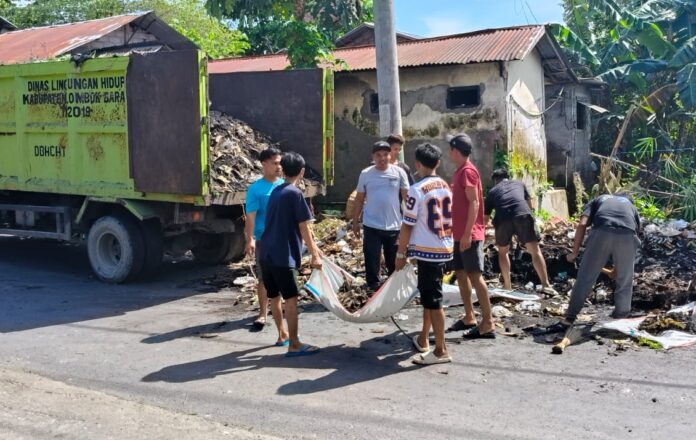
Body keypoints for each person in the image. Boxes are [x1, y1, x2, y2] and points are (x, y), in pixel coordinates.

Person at [546, 193, 641, 333]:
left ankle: (569, 319)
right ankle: (620, 320)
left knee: (585, 278)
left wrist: (574, 253)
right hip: (628, 236)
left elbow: (582, 224)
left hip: (601, 232)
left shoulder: (599, 199)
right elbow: (633, 233)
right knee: (625, 281)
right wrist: (618, 269)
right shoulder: (631, 207)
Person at [395, 143, 453, 365]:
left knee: (434, 301)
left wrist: (401, 254)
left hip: (429, 253)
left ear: (417, 164)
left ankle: (441, 350)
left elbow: (407, 225)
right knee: (430, 297)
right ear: (438, 163)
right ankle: (424, 338)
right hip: (444, 249)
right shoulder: (445, 186)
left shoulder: (416, 189)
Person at [260, 152, 322, 356]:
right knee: (291, 299)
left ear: (283, 170)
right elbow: (304, 227)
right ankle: (294, 344)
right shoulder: (295, 194)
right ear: (302, 172)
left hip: (266, 254)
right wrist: (315, 255)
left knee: (274, 296)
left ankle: (282, 335)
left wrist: (315, 249)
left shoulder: (276, 191)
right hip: (283, 256)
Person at [447, 133, 495, 339]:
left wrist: (467, 234)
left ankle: (488, 323)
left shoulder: (468, 172)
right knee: (460, 273)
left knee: (475, 276)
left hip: (470, 235)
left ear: (455, 150)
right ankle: (469, 316)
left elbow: (474, 203)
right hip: (459, 233)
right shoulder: (459, 171)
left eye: (450, 149)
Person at [484, 168, 557, 295]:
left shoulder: (492, 191)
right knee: (535, 251)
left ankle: (507, 286)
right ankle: (546, 285)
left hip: (503, 219)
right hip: (523, 214)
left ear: (495, 180)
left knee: (503, 252)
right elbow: (529, 205)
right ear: (508, 177)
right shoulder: (519, 183)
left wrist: (489, 228)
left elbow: (485, 219)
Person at [352, 141, 410, 290]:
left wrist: (411, 223)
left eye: (385, 154)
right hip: (371, 225)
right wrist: (355, 222)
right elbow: (359, 199)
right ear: (373, 157)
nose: (382, 158)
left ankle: (393, 291)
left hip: (394, 226)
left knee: (394, 263)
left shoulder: (399, 172)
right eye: (378, 155)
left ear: (390, 155)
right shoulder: (366, 174)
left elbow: (407, 198)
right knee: (371, 260)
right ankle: (373, 290)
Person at [244, 148, 284, 333]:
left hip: (283, 240)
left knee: (283, 275)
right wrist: (250, 239)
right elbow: (250, 216)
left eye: (280, 163)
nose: (279, 166)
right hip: (264, 240)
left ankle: (281, 307)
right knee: (264, 278)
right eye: (275, 163)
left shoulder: (283, 185)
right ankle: (262, 313)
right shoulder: (255, 189)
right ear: (264, 164)